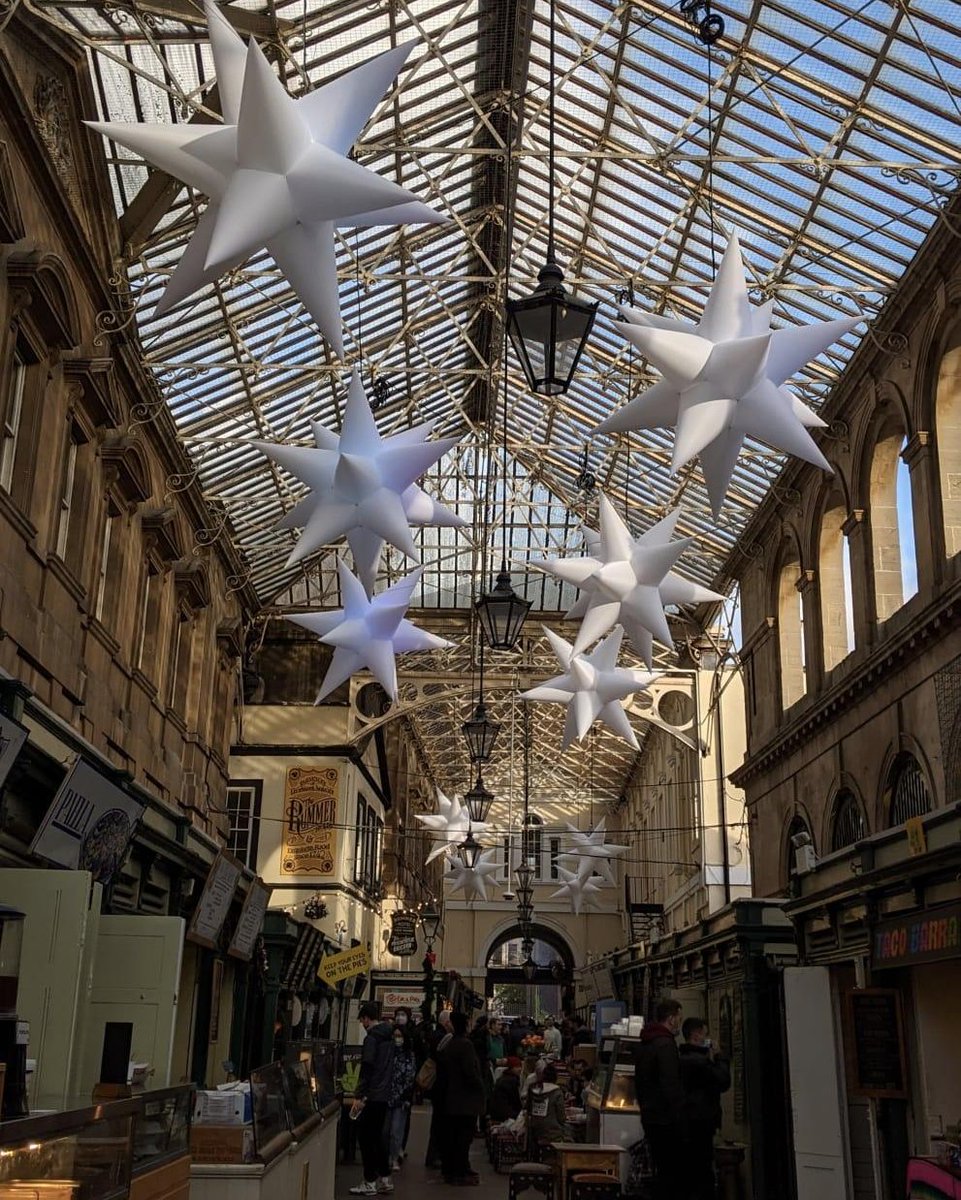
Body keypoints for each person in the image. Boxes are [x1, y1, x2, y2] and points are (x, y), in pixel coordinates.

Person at [634, 997, 687, 1200]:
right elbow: (671, 1085)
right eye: (679, 1019)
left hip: (650, 1117)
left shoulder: (646, 1043)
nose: (679, 1024)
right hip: (666, 1120)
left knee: (659, 1169)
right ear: (672, 1018)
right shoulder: (665, 1045)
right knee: (670, 1174)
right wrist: (681, 1120)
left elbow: (639, 1082)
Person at [679, 1018, 730, 1200]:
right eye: (705, 1033)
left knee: (689, 1171)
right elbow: (723, 1081)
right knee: (703, 1171)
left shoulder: (680, 1059)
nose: (708, 1038)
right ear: (696, 1035)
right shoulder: (700, 1063)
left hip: (685, 1122)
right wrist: (719, 1056)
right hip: (702, 1122)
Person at [349, 1002, 395, 1196]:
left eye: (361, 1020)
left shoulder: (371, 1039)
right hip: (384, 1094)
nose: (361, 1023)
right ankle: (385, 1178)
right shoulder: (389, 1037)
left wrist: (360, 1095)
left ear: (367, 1018)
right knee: (378, 1138)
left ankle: (369, 1181)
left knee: (367, 1139)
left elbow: (367, 1068)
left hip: (371, 1095)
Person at [440, 1011, 486, 1185]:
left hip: (453, 1098)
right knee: (463, 1138)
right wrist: (480, 1087)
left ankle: (458, 1168)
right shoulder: (465, 1045)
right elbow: (470, 1071)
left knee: (455, 1136)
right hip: (465, 1100)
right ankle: (459, 1171)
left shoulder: (451, 1043)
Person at [386, 1020, 416, 1172]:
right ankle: (388, 1157)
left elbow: (410, 1077)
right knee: (386, 1130)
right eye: (395, 1035)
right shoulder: (388, 1053)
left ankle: (394, 1158)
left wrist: (406, 1097)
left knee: (396, 1131)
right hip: (386, 1096)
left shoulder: (409, 1055)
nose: (397, 1038)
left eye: (400, 1036)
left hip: (401, 1098)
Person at [424, 1010, 453, 1169]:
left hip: (437, 1086)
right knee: (439, 1123)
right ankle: (434, 1156)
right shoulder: (442, 1038)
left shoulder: (436, 1035)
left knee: (437, 1122)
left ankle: (434, 1155)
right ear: (446, 1022)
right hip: (440, 1086)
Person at [527, 1063, 569, 1151]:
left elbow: (528, 1109)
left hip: (534, 1131)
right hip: (552, 1133)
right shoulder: (557, 1092)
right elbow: (561, 1118)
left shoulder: (533, 1089)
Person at [489, 1056, 523, 1122]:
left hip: (497, 1113)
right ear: (511, 1068)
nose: (520, 1069)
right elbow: (515, 1100)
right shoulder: (511, 1080)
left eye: (520, 1066)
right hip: (506, 1114)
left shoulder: (503, 1078)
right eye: (516, 1067)